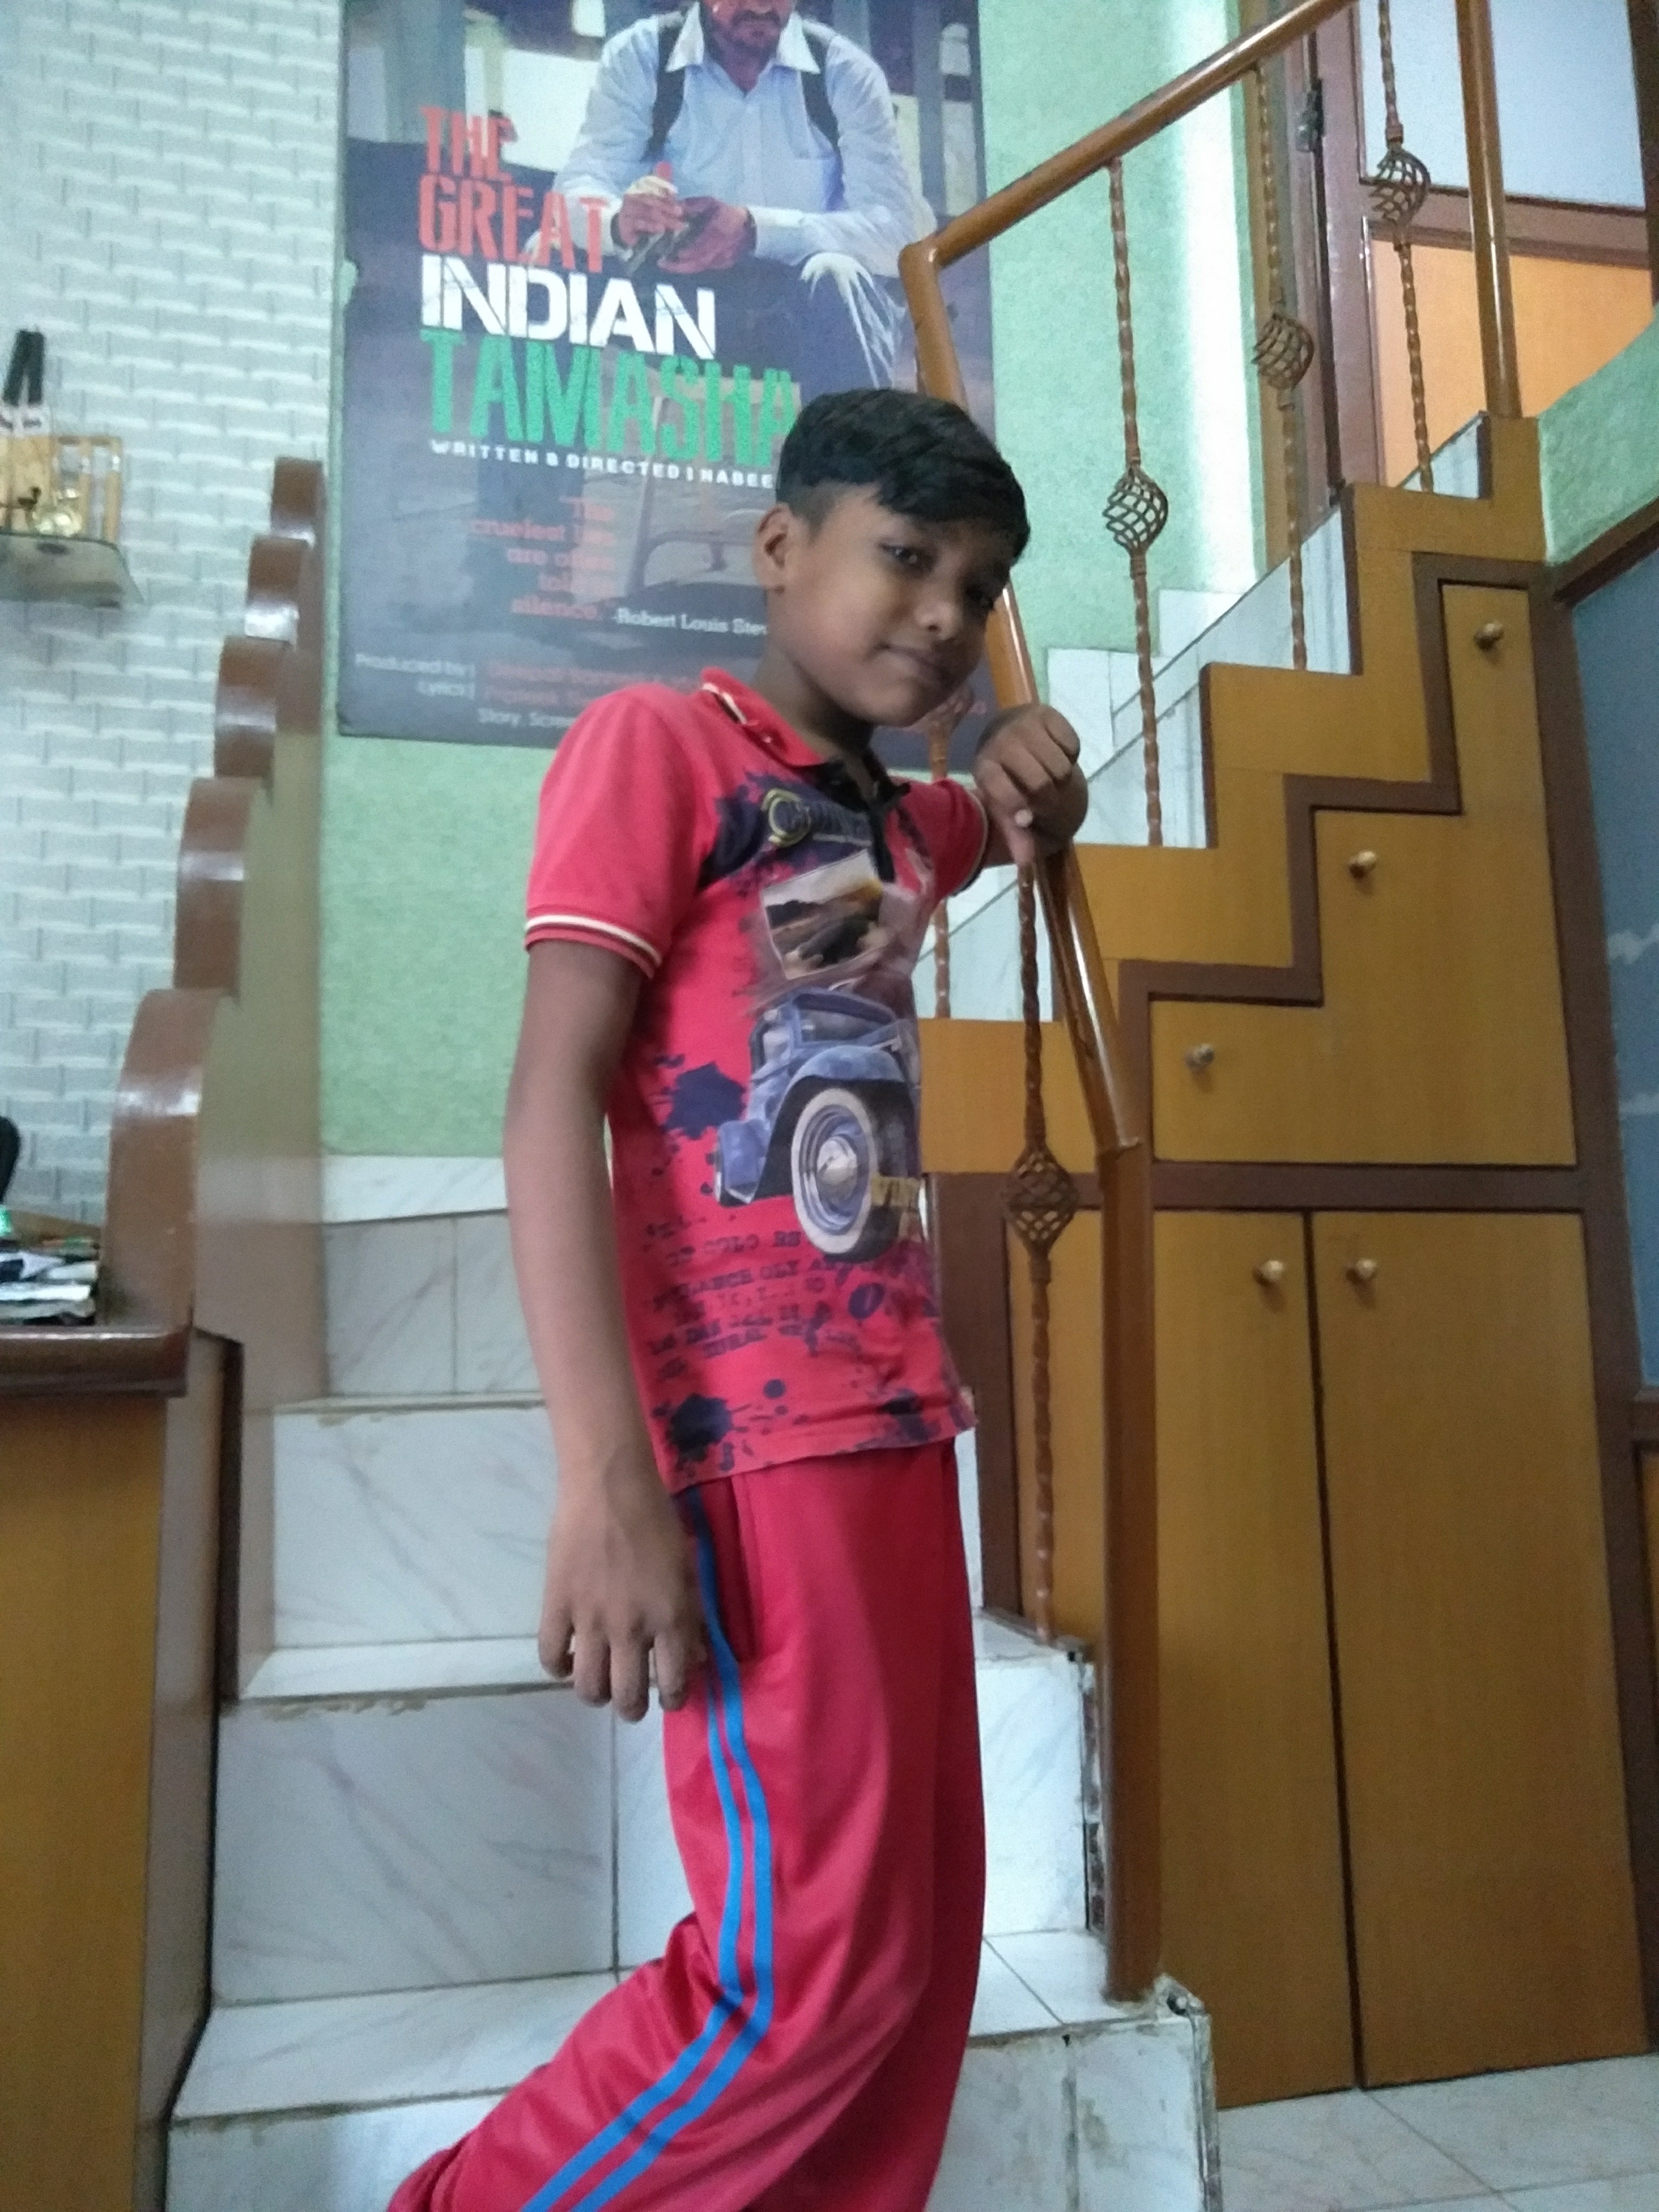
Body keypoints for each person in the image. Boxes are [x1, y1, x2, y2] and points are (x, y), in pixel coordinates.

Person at [386, 387, 1087, 2212]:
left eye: (978, 589)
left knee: (913, 1958)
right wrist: (606, 1480)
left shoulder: (874, 825)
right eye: (904, 558)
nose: (942, 614)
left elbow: (1000, 814)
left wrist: (1029, 761)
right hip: (748, 1445)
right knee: (803, 1974)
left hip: (895, 1425)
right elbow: (549, 1104)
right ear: (779, 548)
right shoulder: (658, 749)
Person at [556, 0, 928, 395]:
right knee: (544, 258)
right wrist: (620, 220)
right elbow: (576, 190)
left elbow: (897, 233)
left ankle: (851, 439)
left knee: (839, 275)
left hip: (803, 318)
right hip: (677, 308)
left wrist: (755, 230)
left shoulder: (846, 73)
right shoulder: (641, 54)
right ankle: (541, 437)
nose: (761, 5)